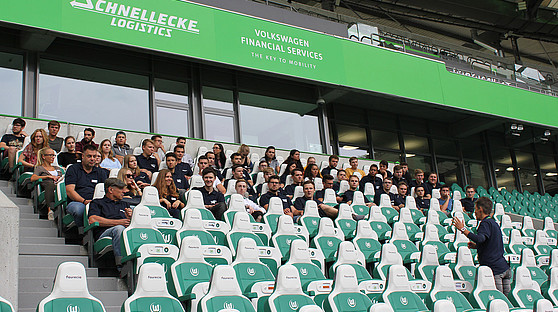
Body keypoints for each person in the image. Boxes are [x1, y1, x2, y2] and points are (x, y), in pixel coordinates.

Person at [452, 197, 511, 295]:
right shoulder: (493, 223)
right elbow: (490, 242)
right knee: (506, 302)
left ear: (481, 209)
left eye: (475, 209)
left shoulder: (485, 223)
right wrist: (477, 246)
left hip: (494, 269)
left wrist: (463, 229)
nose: (474, 212)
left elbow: (480, 238)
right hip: (504, 267)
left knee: (499, 300)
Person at [87, 178, 133, 263]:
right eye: (120, 189)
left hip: (124, 232)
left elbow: (130, 223)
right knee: (119, 228)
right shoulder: (97, 203)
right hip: (104, 233)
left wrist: (131, 217)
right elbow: (92, 220)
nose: (124, 191)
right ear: (111, 190)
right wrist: (119, 222)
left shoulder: (125, 204)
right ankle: (122, 265)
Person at [65, 144, 109, 227]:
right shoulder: (73, 169)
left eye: (94, 156)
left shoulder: (101, 172)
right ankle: (82, 233)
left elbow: (106, 191)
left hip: (97, 202)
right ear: (83, 156)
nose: (92, 159)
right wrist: (84, 201)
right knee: (79, 210)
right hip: (78, 202)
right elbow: (70, 191)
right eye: (89, 156)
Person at [30, 147, 63, 220]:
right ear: (43, 156)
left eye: (53, 155)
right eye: (50, 155)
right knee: (50, 184)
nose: (53, 157)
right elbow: (33, 178)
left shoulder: (57, 168)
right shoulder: (39, 168)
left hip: (59, 184)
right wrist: (48, 176)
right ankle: (50, 210)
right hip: (49, 184)